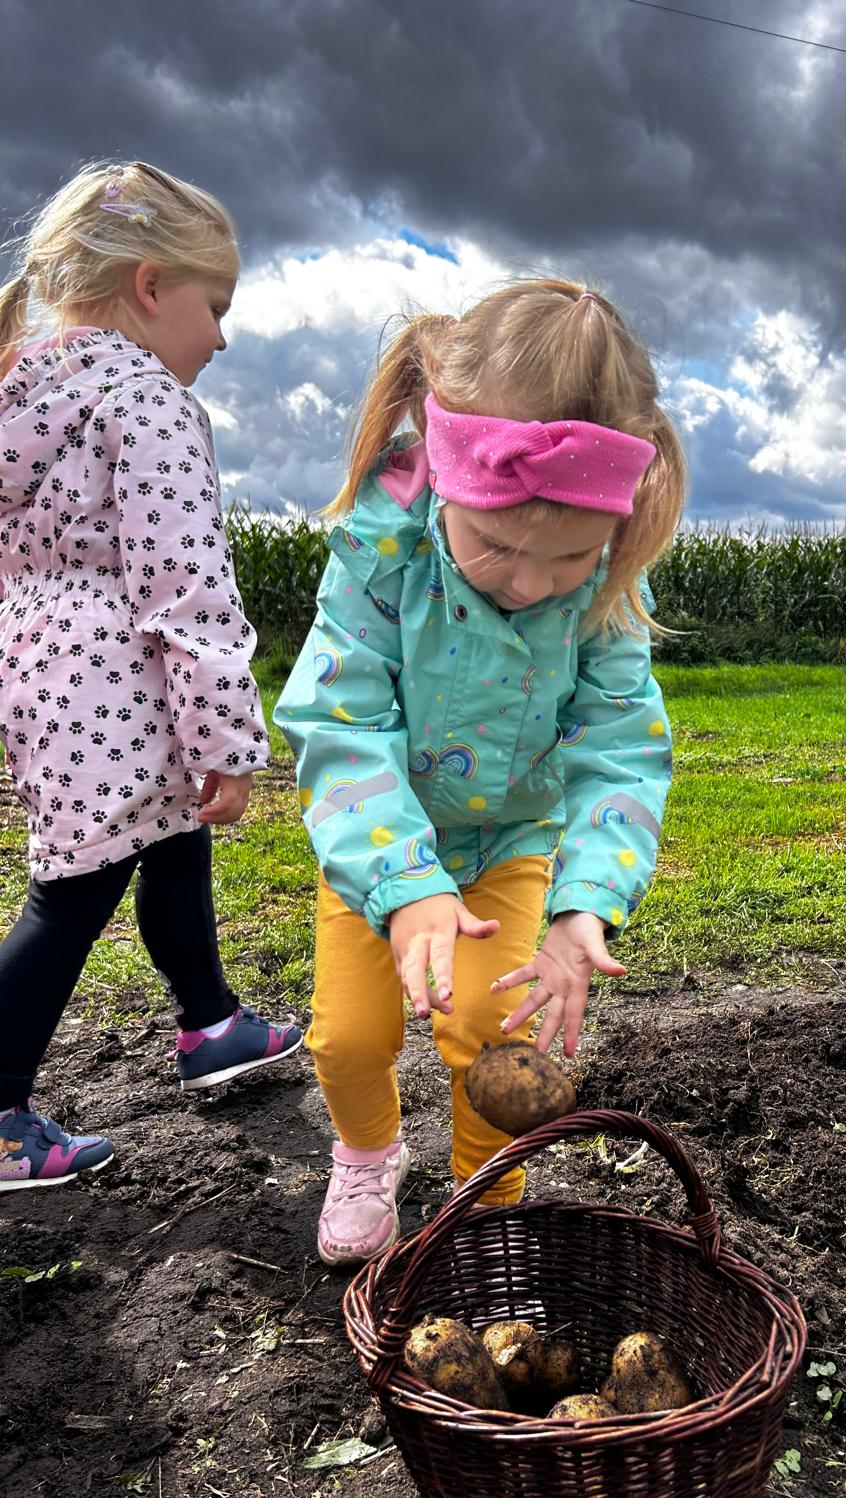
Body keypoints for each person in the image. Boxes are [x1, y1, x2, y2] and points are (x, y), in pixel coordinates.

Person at [276, 279, 685, 1264]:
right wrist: (404, 883)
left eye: (568, 558)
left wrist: (585, 905)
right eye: (496, 545)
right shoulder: (382, 548)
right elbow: (339, 716)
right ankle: (367, 1155)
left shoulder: (607, 587)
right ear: (449, 476)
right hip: (380, 839)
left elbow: (622, 748)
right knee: (347, 1038)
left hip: (508, 843)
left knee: (495, 1042)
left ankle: (487, 1201)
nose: (531, 584)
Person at [0, 159, 302, 1190]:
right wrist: (228, 739)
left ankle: (210, 1021)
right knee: (72, 893)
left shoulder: (25, 398)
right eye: (216, 306)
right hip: (120, 680)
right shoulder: (148, 402)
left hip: (46, 676)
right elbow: (186, 588)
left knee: (171, 837)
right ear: (149, 286)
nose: (220, 337)